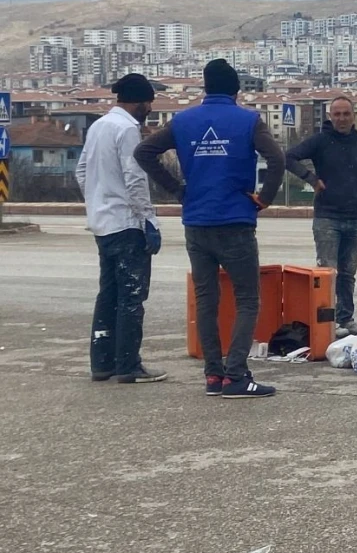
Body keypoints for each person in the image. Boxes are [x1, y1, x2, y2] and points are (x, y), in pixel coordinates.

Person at [135, 59, 286, 399]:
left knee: (206, 300)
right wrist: (263, 199)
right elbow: (277, 159)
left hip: (197, 221)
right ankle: (236, 375)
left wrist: (177, 189)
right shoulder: (248, 121)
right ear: (236, 90)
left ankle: (213, 376)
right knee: (247, 299)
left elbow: (144, 151)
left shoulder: (184, 121)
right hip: (235, 220)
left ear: (205, 88)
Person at [74, 73, 166, 384]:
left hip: (102, 224)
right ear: (138, 102)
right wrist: (147, 219)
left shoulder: (99, 126)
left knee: (108, 293)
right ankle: (128, 365)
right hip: (127, 224)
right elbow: (135, 177)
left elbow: (81, 170)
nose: (150, 108)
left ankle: (102, 363)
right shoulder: (127, 129)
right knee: (132, 295)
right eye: (149, 102)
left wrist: (96, 201)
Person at [284, 96, 357, 337]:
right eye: (337, 114)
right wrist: (311, 179)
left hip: (354, 218)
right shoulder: (320, 141)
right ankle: (325, 322)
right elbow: (288, 158)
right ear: (330, 117)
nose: (342, 119)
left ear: (353, 116)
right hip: (327, 218)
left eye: (346, 114)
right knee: (327, 274)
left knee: (348, 274)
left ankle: (346, 319)